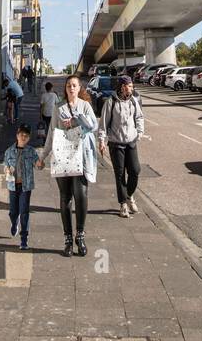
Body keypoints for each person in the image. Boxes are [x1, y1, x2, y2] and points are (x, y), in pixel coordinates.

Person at [39, 73, 98, 257]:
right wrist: (43, 156)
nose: (71, 88)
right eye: (68, 86)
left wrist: (74, 120)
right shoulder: (58, 107)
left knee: (81, 195)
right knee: (65, 198)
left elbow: (93, 126)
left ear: (79, 88)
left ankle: (80, 235)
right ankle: (67, 239)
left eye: (74, 85)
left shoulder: (85, 106)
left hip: (81, 157)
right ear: (65, 89)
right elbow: (51, 133)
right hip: (63, 157)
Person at [99, 71, 145, 216]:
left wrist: (139, 132)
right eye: (128, 87)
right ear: (122, 87)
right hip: (116, 143)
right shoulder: (111, 102)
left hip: (131, 142)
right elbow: (103, 124)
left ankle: (129, 195)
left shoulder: (133, 101)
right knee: (119, 175)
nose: (130, 89)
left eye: (131, 86)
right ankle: (123, 204)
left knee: (135, 171)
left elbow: (139, 117)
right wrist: (101, 140)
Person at [2, 124, 39, 250]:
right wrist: (7, 170)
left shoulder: (31, 151)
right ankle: (14, 222)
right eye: (21, 134)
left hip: (25, 186)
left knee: (24, 211)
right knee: (13, 211)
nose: (23, 137)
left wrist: (40, 163)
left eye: (26, 135)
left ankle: (24, 239)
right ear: (17, 136)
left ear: (28, 138)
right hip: (12, 185)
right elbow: (5, 166)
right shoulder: (9, 151)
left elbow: (38, 165)